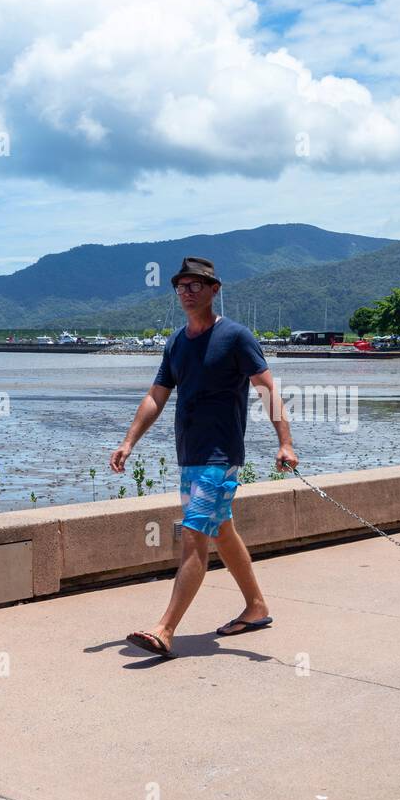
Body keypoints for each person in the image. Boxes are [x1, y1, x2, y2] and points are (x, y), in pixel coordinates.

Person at [111, 256, 297, 658]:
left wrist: (285, 442)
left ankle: (165, 629)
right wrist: (129, 442)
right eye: (181, 286)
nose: (187, 292)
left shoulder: (235, 336)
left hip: (220, 456)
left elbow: (267, 389)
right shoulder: (177, 342)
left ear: (215, 290)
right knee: (221, 532)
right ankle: (257, 606)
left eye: (196, 285)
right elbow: (155, 396)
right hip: (189, 456)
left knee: (194, 534)